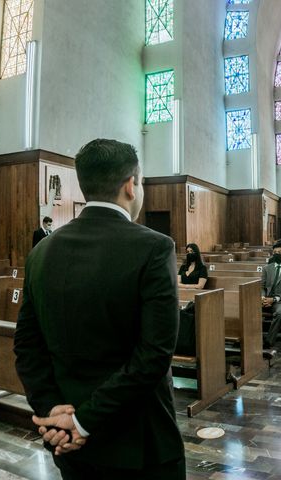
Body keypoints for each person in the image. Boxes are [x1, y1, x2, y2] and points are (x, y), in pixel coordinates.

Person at [14, 139, 185, 478]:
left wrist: (53, 414)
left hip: (70, 443)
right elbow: (154, 353)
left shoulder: (41, 253)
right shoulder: (155, 247)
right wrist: (82, 421)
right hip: (139, 441)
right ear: (130, 186)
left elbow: (26, 347)